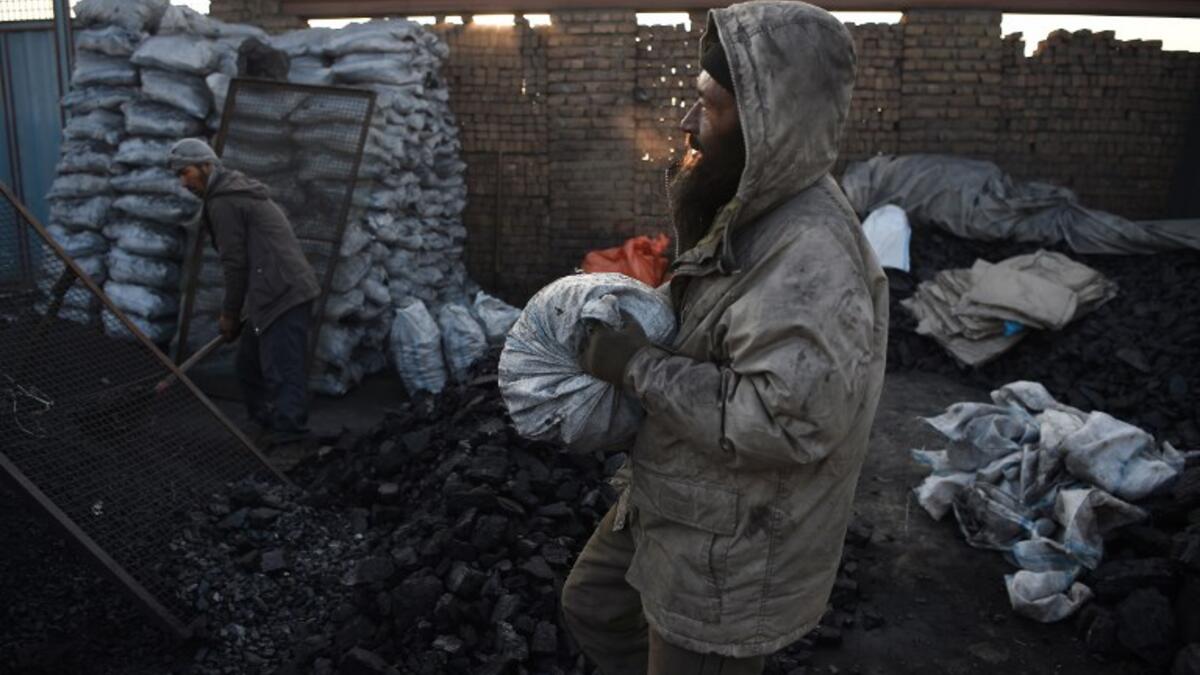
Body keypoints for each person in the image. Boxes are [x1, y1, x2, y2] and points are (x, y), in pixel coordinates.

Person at [565, 2, 889, 673]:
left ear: (769, 123)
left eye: (709, 106)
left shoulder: (811, 253)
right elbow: (721, 310)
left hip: (735, 545)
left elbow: (786, 420)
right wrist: (646, 309)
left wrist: (638, 367)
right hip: (683, 493)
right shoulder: (752, 209)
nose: (687, 122)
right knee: (594, 602)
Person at [168, 138, 321, 440]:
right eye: (178, 175)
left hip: (282, 291)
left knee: (282, 369)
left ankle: (290, 437)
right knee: (248, 366)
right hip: (268, 291)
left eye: (185, 172)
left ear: (206, 166)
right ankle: (266, 423)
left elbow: (234, 263)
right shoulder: (232, 191)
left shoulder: (223, 201)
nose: (183, 183)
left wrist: (229, 313)